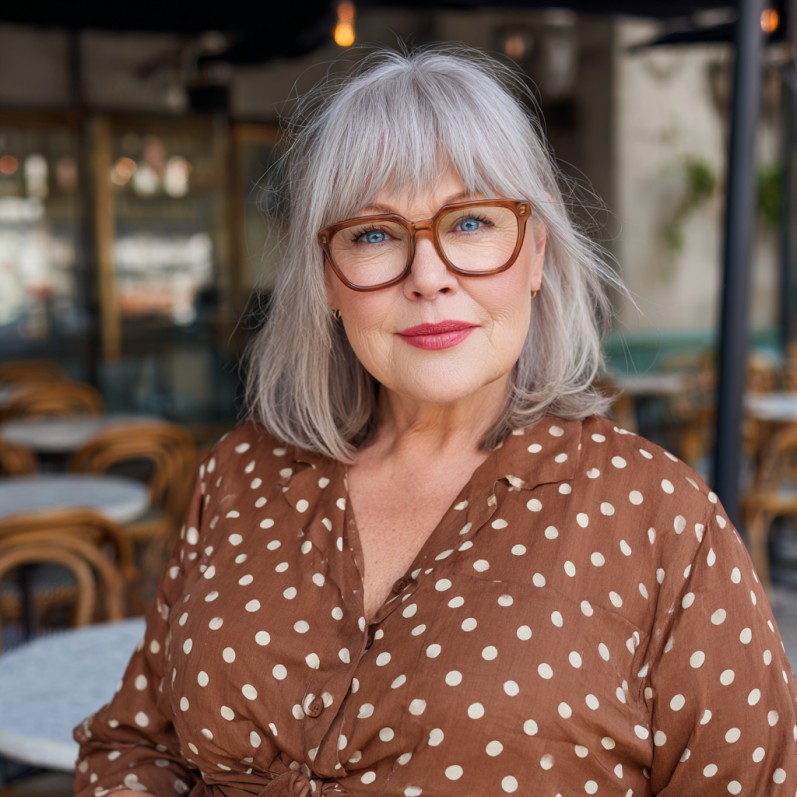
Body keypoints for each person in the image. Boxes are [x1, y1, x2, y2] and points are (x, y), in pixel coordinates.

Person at [74, 44, 797, 797]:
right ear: (328, 277)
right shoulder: (237, 475)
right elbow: (131, 741)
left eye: (472, 223)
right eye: (375, 235)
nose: (428, 277)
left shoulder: (660, 519)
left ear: (536, 253)